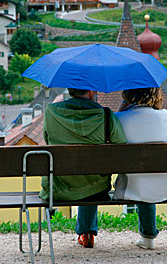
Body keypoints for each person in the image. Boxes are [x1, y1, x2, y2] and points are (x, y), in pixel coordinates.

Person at [39, 88, 127, 248]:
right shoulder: (106, 116)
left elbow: (47, 139)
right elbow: (122, 149)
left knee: (84, 178)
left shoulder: (51, 112)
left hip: (57, 188)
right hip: (95, 188)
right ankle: (87, 233)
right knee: (91, 180)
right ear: (91, 91)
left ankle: (84, 233)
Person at [113, 87, 167, 250]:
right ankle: (148, 236)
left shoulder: (118, 118)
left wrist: (120, 110)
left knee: (140, 177)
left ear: (127, 94)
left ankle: (147, 236)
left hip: (134, 186)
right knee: (146, 173)